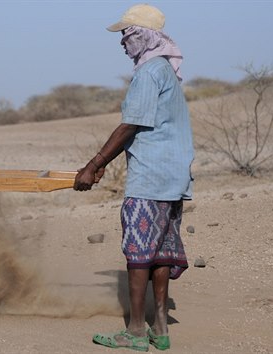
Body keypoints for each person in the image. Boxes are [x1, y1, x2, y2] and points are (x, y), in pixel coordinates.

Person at [74, 4, 193, 351]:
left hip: (150, 176)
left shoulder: (148, 73)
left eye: (125, 34)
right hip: (172, 177)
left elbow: (130, 123)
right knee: (160, 252)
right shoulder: (166, 71)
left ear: (142, 36)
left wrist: (95, 164)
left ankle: (136, 331)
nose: (122, 43)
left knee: (139, 252)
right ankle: (160, 328)